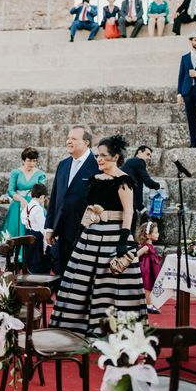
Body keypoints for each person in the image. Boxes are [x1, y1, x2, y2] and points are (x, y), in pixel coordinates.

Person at [49, 135, 146, 336]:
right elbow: (89, 211)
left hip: (115, 237)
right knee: (80, 283)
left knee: (109, 285)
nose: (99, 159)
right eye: (97, 155)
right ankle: (78, 327)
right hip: (91, 237)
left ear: (115, 157)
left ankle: (111, 329)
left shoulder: (124, 181)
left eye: (103, 156)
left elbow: (129, 212)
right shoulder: (94, 179)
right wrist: (83, 233)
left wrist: (123, 241)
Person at [45, 126, 99, 276]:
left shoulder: (96, 166)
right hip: (61, 231)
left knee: (81, 275)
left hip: (83, 232)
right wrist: (49, 227)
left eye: (74, 139)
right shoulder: (63, 165)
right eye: (68, 138)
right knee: (61, 273)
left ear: (86, 142)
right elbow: (55, 196)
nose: (69, 141)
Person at [2, 147, 46, 239]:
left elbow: (41, 191)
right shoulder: (16, 172)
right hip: (18, 204)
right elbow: (10, 191)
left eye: (34, 161)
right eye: (29, 160)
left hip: (33, 204)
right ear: (23, 160)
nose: (32, 163)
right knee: (14, 232)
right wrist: (21, 199)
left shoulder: (40, 174)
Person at [121, 146, 161, 233]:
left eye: (150, 156)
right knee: (131, 221)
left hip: (126, 198)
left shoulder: (132, 163)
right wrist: (159, 186)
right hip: (126, 198)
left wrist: (142, 209)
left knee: (131, 219)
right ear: (139, 152)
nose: (149, 158)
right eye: (147, 154)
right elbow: (148, 182)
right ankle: (128, 243)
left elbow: (138, 189)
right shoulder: (138, 161)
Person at [20, 183, 50, 274]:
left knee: (29, 257)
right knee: (37, 259)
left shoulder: (27, 206)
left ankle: (29, 273)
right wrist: (46, 243)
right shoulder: (38, 209)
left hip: (27, 233)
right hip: (36, 237)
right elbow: (42, 227)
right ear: (42, 196)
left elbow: (23, 220)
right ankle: (37, 278)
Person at [136, 221, 162, 314]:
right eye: (155, 232)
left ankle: (149, 303)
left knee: (150, 286)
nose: (158, 234)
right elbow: (136, 255)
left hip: (151, 268)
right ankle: (148, 305)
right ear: (148, 235)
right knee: (147, 287)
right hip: (147, 269)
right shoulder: (146, 247)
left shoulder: (150, 245)